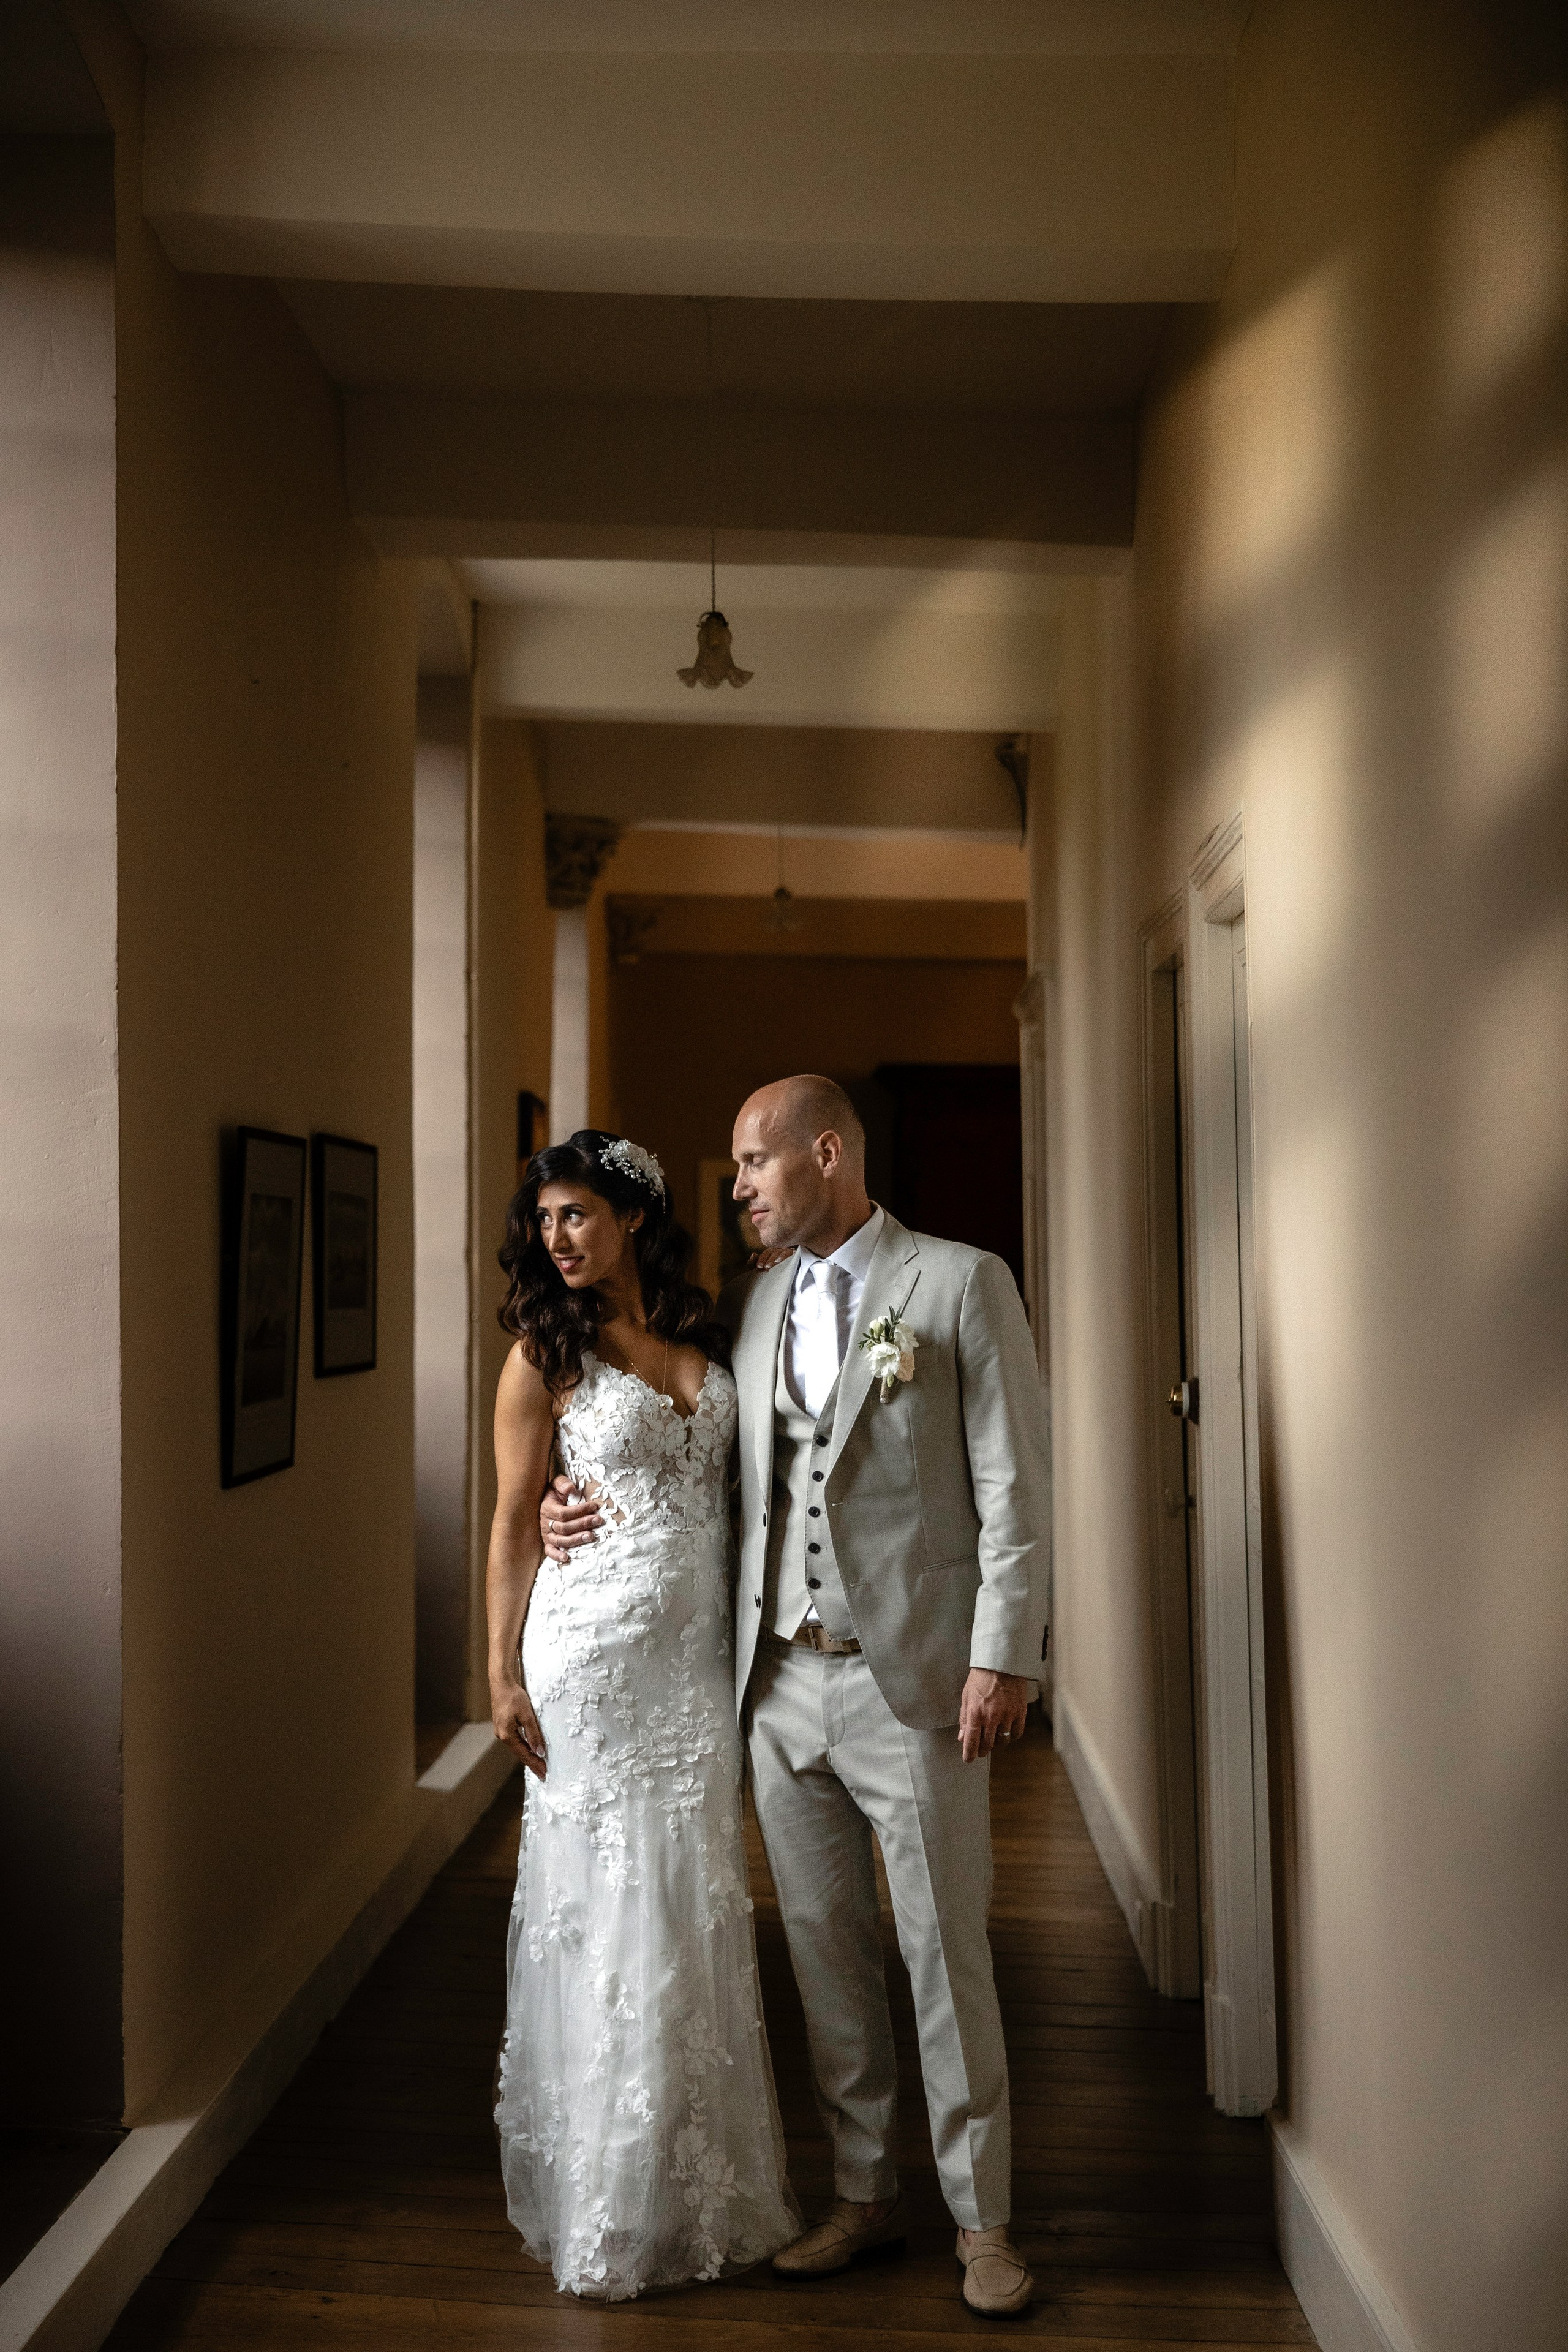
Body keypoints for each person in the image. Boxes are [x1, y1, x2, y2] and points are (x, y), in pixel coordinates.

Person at [542, 1075, 1050, 2317]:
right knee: (825, 1957)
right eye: (731, 1170)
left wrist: (1005, 1654)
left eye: (753, 1163)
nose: (739, 1188)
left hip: (915, 1685)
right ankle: (864, 2196)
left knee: (943, 1954)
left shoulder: (958, 1280)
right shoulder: (756, 1308)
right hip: (776, 1686)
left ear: (825, 1153)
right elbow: (716, 1487)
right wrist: (567, 1517)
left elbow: (1014, 1485)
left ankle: (982, 2223)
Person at [484, 1129, 797, 2302]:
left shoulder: (710, 1333)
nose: (558, 1240)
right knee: (611, 1915)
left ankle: (704, 2184)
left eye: (578, 1217)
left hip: (693, 1673)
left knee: (692, 1904)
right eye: (546, 1222)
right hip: (590, 1668)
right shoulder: (540, 1357)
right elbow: (517, 1520)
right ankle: (613, 2202)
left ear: (632, 1219)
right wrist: (503, 1675)